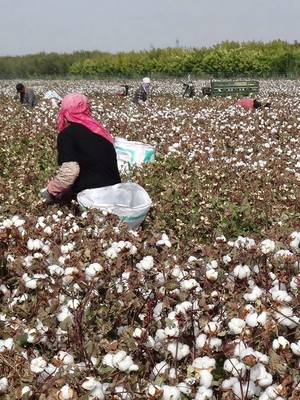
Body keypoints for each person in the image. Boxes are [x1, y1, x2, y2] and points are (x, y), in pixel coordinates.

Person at [40, 92, 121, 204]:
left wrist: (50, 192)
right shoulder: (99, 131)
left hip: (92, 195)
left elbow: (70, 172)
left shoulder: (67, 135)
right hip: (116, 191)